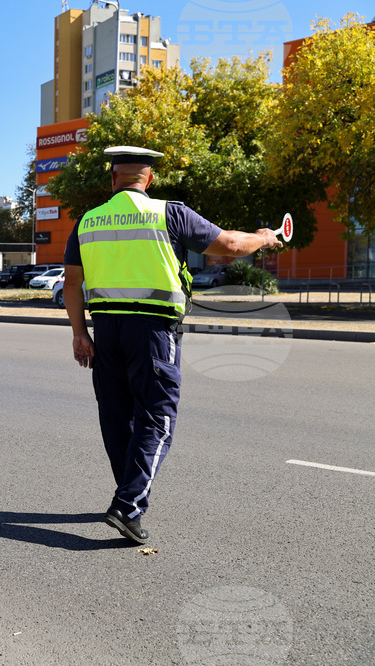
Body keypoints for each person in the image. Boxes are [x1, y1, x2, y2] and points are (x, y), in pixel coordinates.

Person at [62, 146, 284, 543]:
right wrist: (265, 238)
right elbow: (231, 245)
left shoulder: (87, 222)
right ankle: (128, 505)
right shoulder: (170, 213)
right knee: (157, 416)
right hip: (152, 331)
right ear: (149, 179)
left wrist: (80, 334)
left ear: (113, 179)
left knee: (117, 419)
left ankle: (127, 496)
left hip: (107, 330)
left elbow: (71, 284)